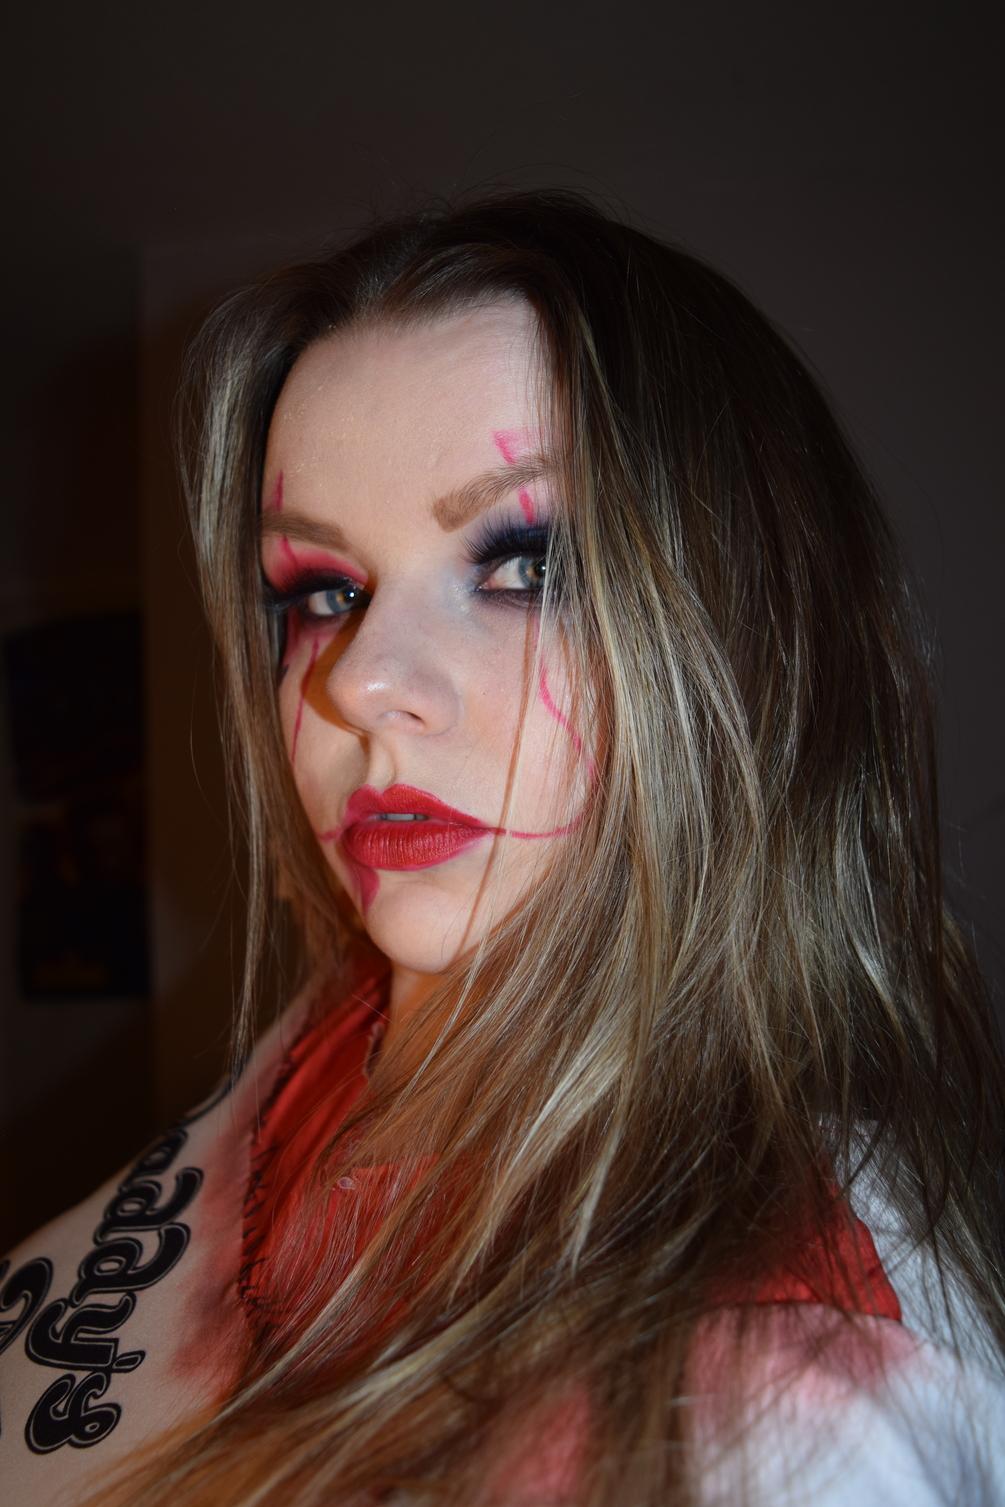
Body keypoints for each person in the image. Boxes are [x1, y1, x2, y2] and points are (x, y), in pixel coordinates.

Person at [2, 191, 1004, 1507]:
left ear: (754, 639)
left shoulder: (785, 1400)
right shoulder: (361, 1015)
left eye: (526, 565)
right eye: (325, 591)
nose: (360, 683)